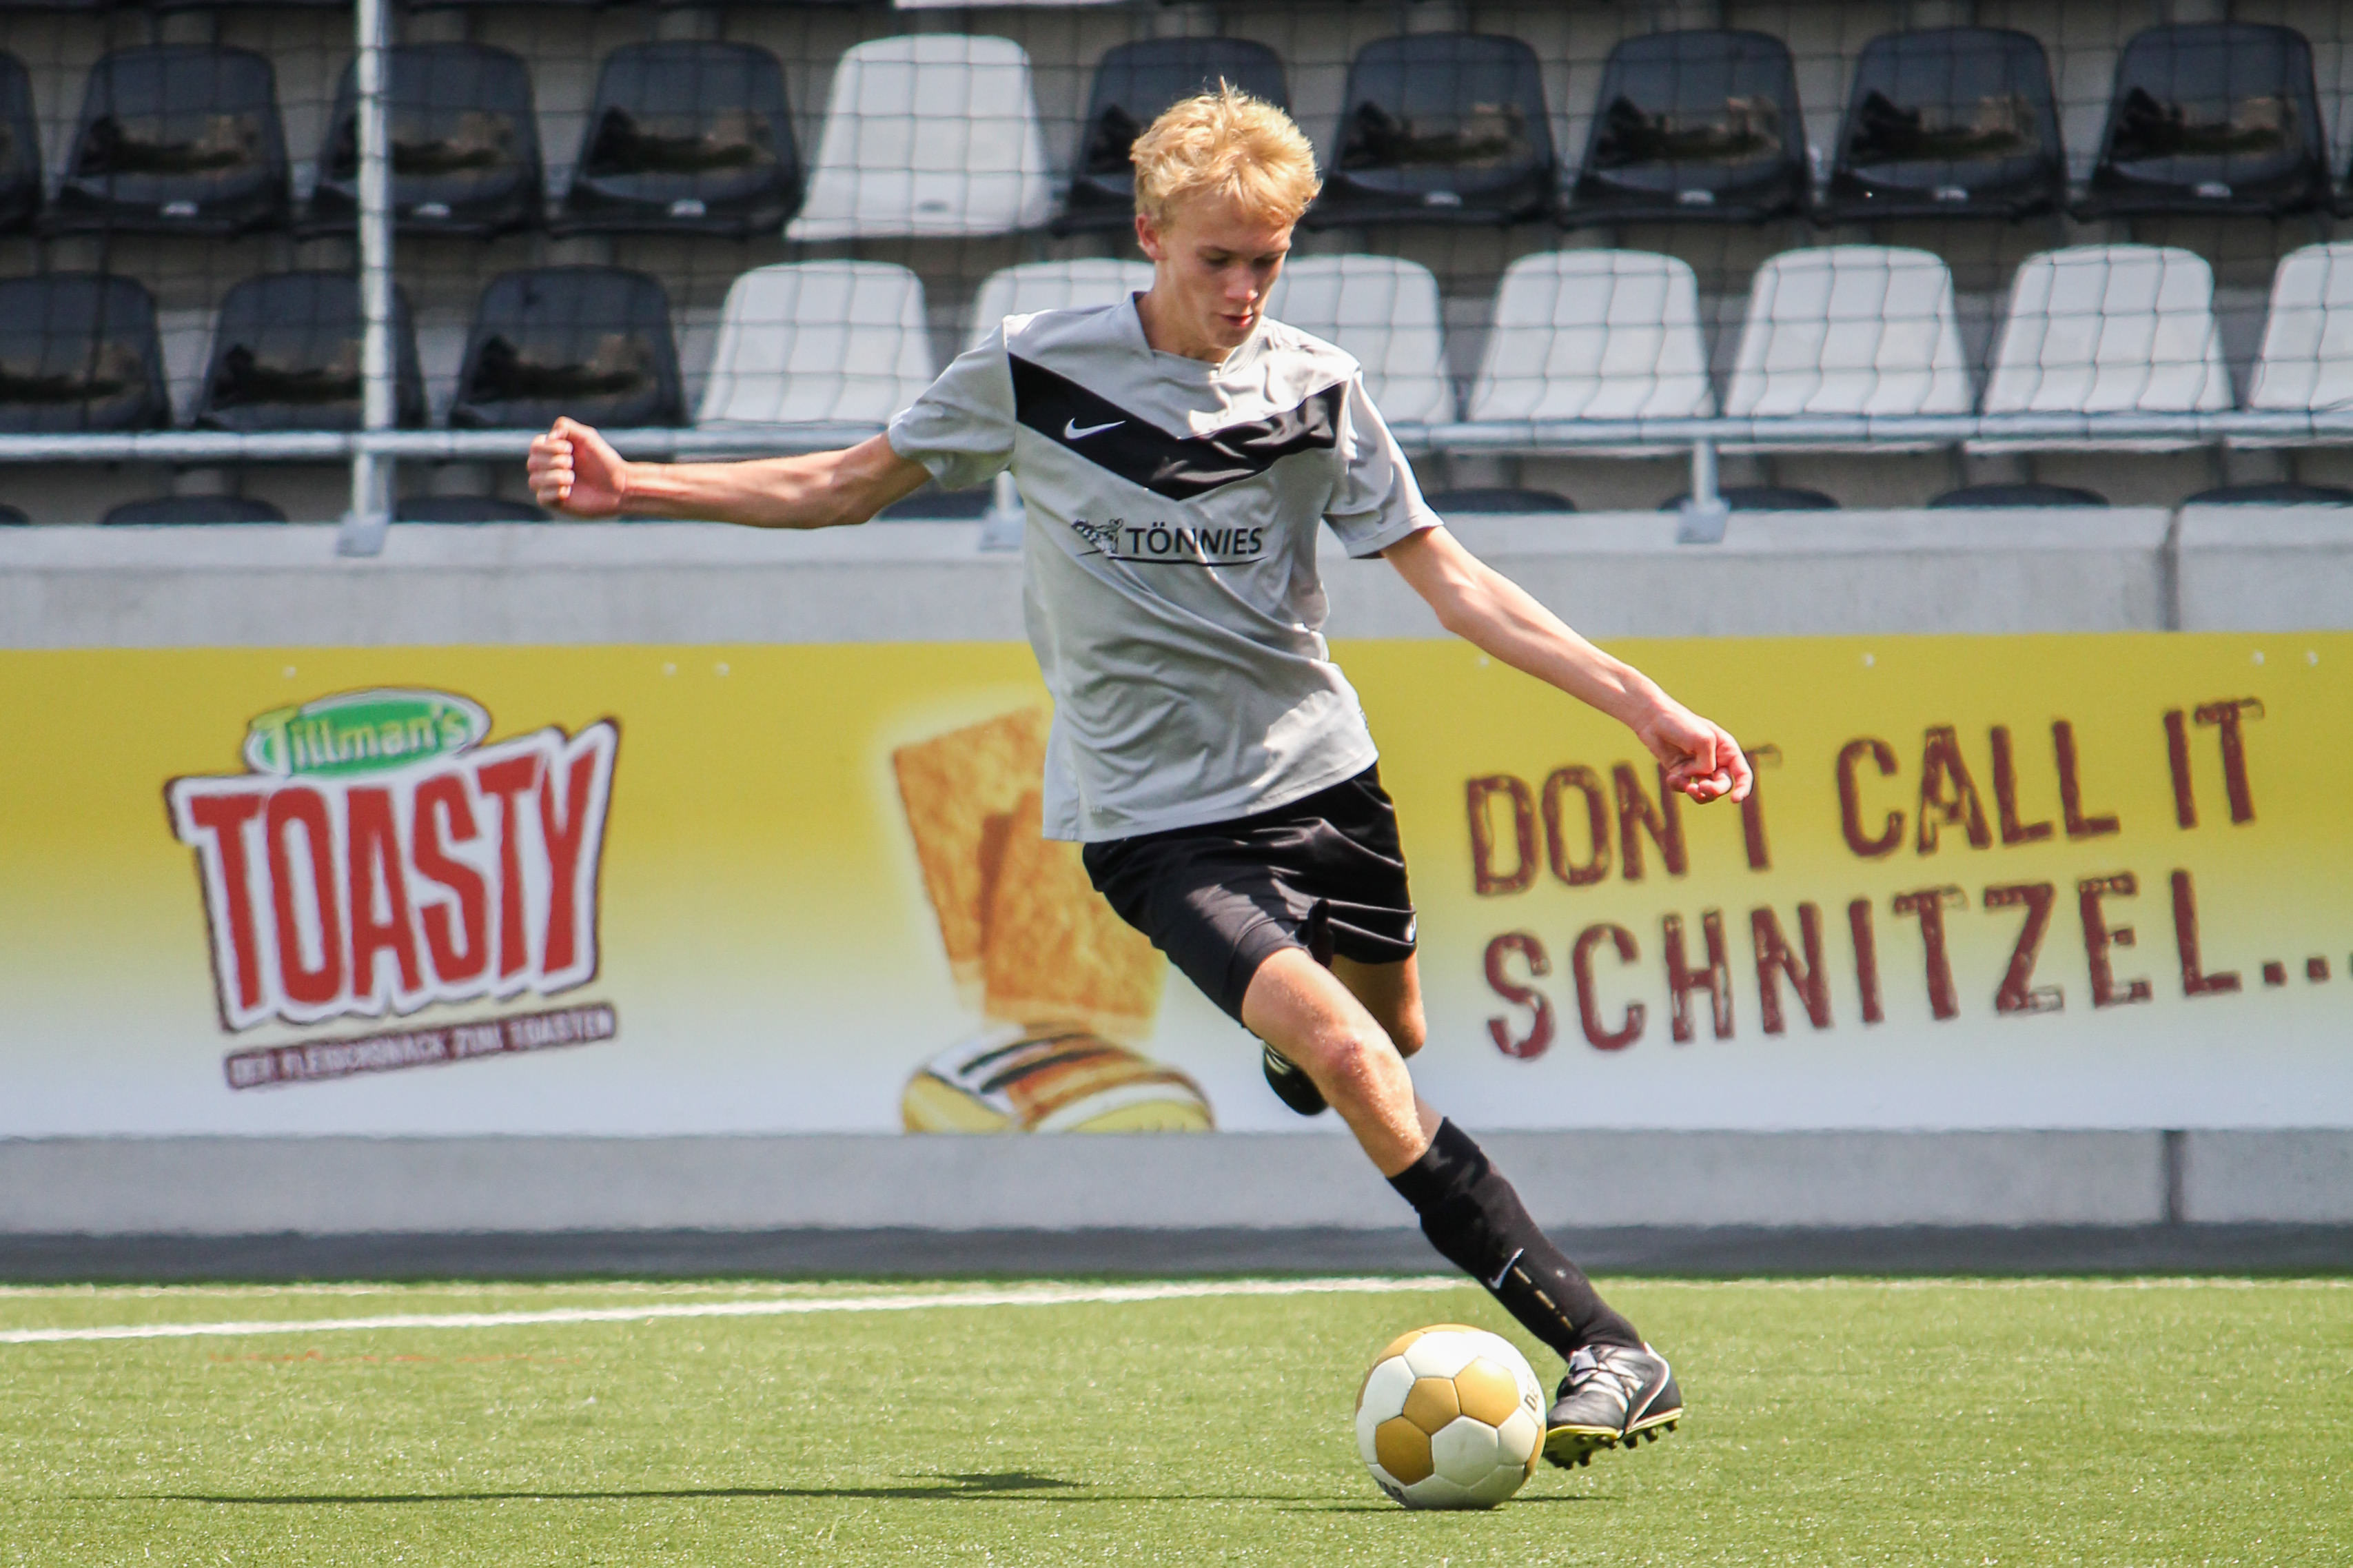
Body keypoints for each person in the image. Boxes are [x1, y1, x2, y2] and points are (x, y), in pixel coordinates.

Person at [528, 85, 1751, 1469]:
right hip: (1156, 821)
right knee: (1353, 1059)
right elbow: (844, 486)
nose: (1241, 290)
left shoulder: (1316, 389)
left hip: (1325, 781)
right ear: (1150, 233)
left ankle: (1302, 1041)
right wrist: (639, 485)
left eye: (1266, 261)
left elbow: (1456, 584)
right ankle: (1605, 1342)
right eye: (1215, 258)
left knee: (1391, 1034)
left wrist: (1645, 708)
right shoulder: (1034, 367)